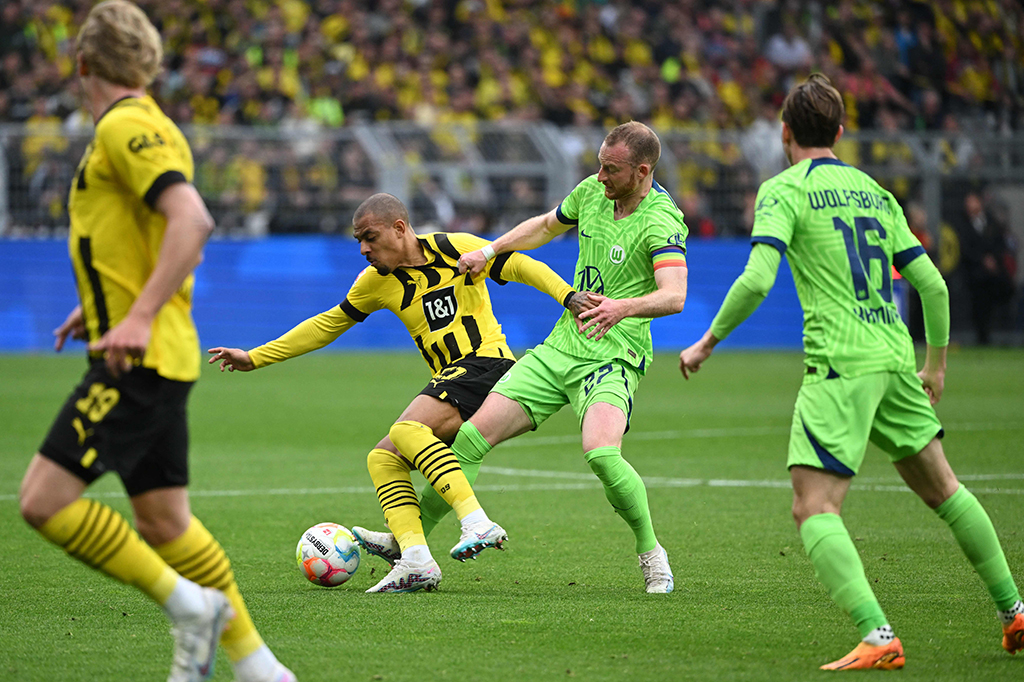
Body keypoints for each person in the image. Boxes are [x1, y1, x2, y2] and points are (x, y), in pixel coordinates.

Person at [680, 74, 1023, 670]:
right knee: (946, 489)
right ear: (839, 132)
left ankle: (877, 632)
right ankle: (1014, 610)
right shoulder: (874, 191)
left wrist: (708, 340)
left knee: (814, 507)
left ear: (785, 132)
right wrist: (935, 365)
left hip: (840, 364)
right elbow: (932, 284)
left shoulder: (783, 190)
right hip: (895, 357)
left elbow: (759, 277)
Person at [16, 3, 296, 682]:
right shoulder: (152, 126)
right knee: (166, 521)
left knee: (42, 501)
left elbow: (190, 222)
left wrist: (134, 316)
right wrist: (106, 306)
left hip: (138, 358)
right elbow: (154, 239)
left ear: (82, 65)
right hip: (157, 352)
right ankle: (259, 665)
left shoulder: (127, 125)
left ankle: (188, 606)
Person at [355, 121, 689, 594]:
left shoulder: (661, 220)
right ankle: (408, 549)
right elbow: (545, 226)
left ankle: (651, 553)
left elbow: (674, 296)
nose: (599, 176)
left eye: (610, 170)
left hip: (616, 353)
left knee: (600, 453)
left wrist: (621, 307)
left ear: (641, 170)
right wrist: (491, 250)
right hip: (559, 348)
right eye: (598, 164)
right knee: (469, 437)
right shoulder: (592, 193)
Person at [208, 192, 586, 593]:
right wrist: (256, 357)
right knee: (384, 457)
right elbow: (326, 325)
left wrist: (567, 296)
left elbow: (522, 265)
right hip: (453, 379)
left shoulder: (453, 248)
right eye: (358, 240)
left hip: (488, 366)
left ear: (400, 228)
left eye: (369, 237)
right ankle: (417, 560)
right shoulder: (376, 282)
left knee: (407, 429)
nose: (363, 248)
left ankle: (476, 521)